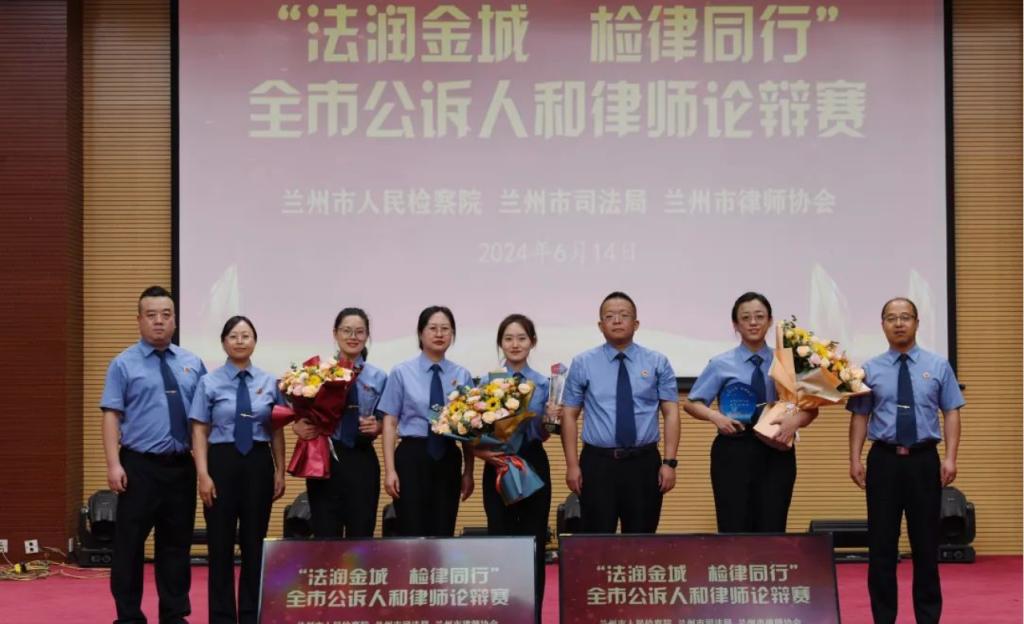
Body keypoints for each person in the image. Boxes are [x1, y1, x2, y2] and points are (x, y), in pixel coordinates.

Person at [847, 297, 963, 624]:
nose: (899, 324)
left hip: (923, 461)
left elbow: (951, 411)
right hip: (884, 461)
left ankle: (928, 618)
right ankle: (884, 618)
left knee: (926, 546)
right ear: (882, 324)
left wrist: (950, 458)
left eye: (905, 317)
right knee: (881, 546)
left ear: (916, 323)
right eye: (891, 318)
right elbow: (860, 416)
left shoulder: (938, 365)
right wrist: (854, 458)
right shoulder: (869, 369)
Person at [100, 286, 207, 624]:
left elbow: (203, 418)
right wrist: (113, 464)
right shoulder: (123, 363)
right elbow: (111, 415)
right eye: (151, 315)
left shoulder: (192, 363)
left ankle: (174, 614)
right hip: (139, 466)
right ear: (139, 320)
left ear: (175, 320)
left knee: (176, 544)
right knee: (130, 545)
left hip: (181, 467)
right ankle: (129, 616)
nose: (159, 321)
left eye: (166, 315)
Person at [683, 292, 817, 533]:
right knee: (733, 525)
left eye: (759, 316)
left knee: (773, 524)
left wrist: (794, 422)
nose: (753, 323)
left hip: (777, 449)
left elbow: (811, 407)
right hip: (733, 449)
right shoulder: (720, 363)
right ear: (736, 325)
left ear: (770, 321)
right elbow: (692, 403)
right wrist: (716, 417)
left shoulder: (787, 361)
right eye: (745, 318)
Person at [188, 316, 285, 624]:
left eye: (246, 336)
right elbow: (199, 430)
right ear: (223, 342)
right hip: (222, 462)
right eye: (233, 336)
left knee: (254, 543)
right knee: (220, 544)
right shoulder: (209, 382)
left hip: (258, 462)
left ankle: (251, 615)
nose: (240, 341)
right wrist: (203, 474)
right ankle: (222, 617)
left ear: (255, 341)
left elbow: (277, 430)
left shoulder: (270, 382)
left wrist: (280, 470)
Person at [560, 291, 680, 534]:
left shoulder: (657, 362)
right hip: (598, 464)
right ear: (600, 325)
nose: (617, 321)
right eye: (609, 316)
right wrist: (572, 465)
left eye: (624, 315)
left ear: (636, 323)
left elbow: (671, 413)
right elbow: (569, 415)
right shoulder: (583, 362)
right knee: (596, 538)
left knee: (641, 539)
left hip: (644, 463)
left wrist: (669, 463)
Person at [474, 313, 559, 622]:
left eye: (522, 338)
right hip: (497, 464)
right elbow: (472, 431)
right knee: (501, 539)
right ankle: (504, 613)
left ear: (532, 342)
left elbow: (545, 433)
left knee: (534, 540)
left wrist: (550, 419)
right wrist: (483, 454)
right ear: (501, 343)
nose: (515, 344)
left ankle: (532, 614)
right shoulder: (487, 383)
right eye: (508, 338)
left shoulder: (545, 384)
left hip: (532, 462)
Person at [379, 306, 475, 536]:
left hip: (447, 455)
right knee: (411, 529)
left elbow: (470, 428)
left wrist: (468, 471)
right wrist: (390, 470)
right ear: (421, 333)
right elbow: (390, 423)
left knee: (443, 529)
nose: (439, 334)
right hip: (412, 456)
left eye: (445, 329)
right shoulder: (401, 372)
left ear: (452, 334)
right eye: (433, 328)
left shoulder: (462, 375)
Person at [292, 307, 387, 538]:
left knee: (361, 534)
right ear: (335, 333)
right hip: (325, 459)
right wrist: (298, 425)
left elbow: (388, 419)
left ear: (367, 336)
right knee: (325, 534)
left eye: (359, 332)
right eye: (346, 331)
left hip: (362, 459)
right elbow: (299, 413)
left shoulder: (379, 377)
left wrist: (378, 426)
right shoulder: (316, 374)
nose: (353, 337)